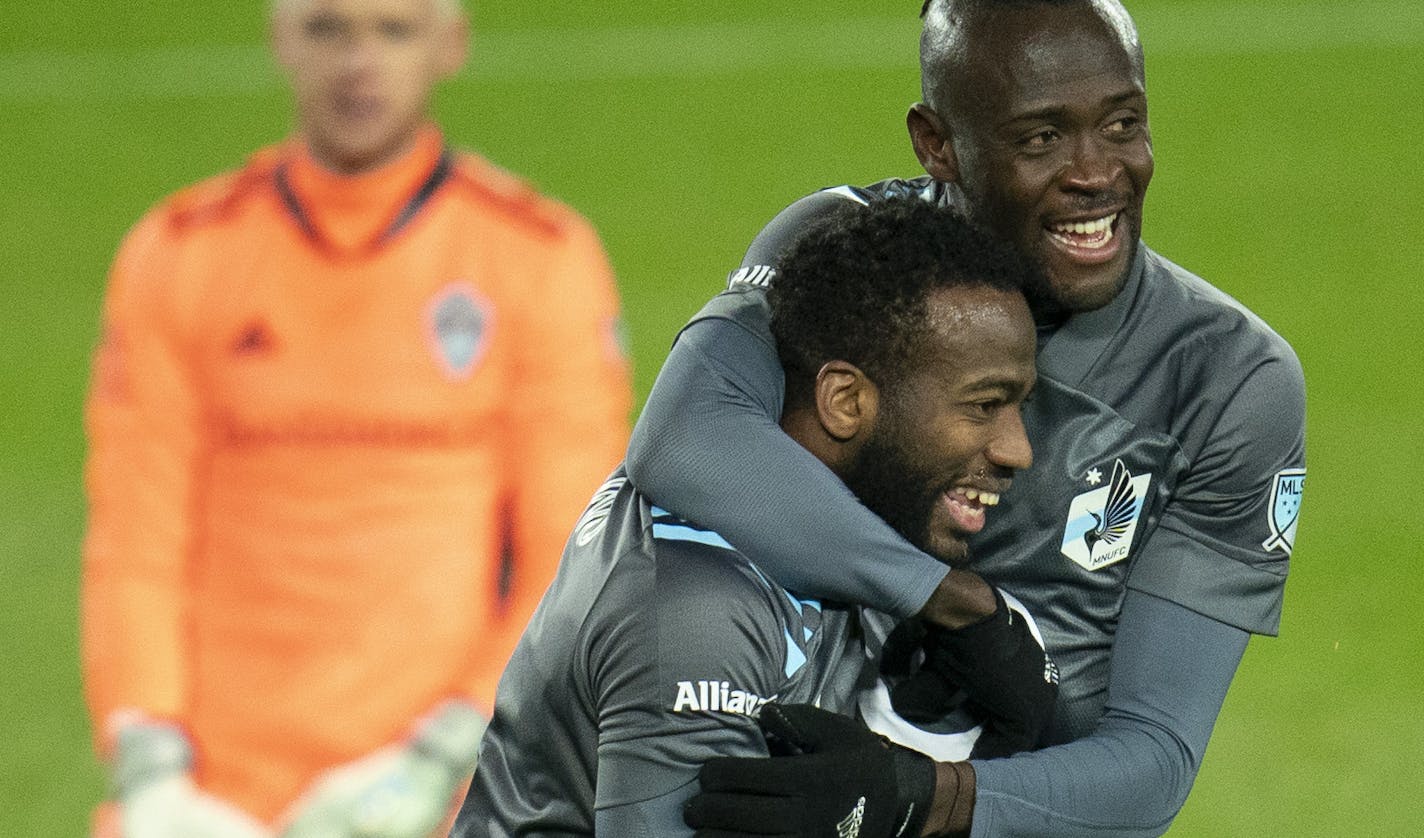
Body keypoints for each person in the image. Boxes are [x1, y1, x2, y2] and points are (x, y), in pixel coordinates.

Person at [628, 1, 1308, 835]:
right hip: (778, 776)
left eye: (1123, 123)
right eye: (1041, 138)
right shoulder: (847, 251)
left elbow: (1154, 757)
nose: (1096, 172)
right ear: (937, 143)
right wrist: (950, 601)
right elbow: (684, 439)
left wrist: (926, 799)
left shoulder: (1230, 378)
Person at [80, 0, 631, 836]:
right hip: (214, 794)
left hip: (450, 787)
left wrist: (447, 750)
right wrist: (152, 766)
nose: (358, 60)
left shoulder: (537, 260)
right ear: (280, 39)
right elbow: (136, 532)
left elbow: (573, 551)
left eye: (394, 29)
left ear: (450, 44)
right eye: (328, 27)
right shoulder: (180, 254)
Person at [451, 199, 1052, 837]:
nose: (1019, 451)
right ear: (846, 401)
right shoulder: (701, 612)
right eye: (984, 406)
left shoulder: (823, 524)